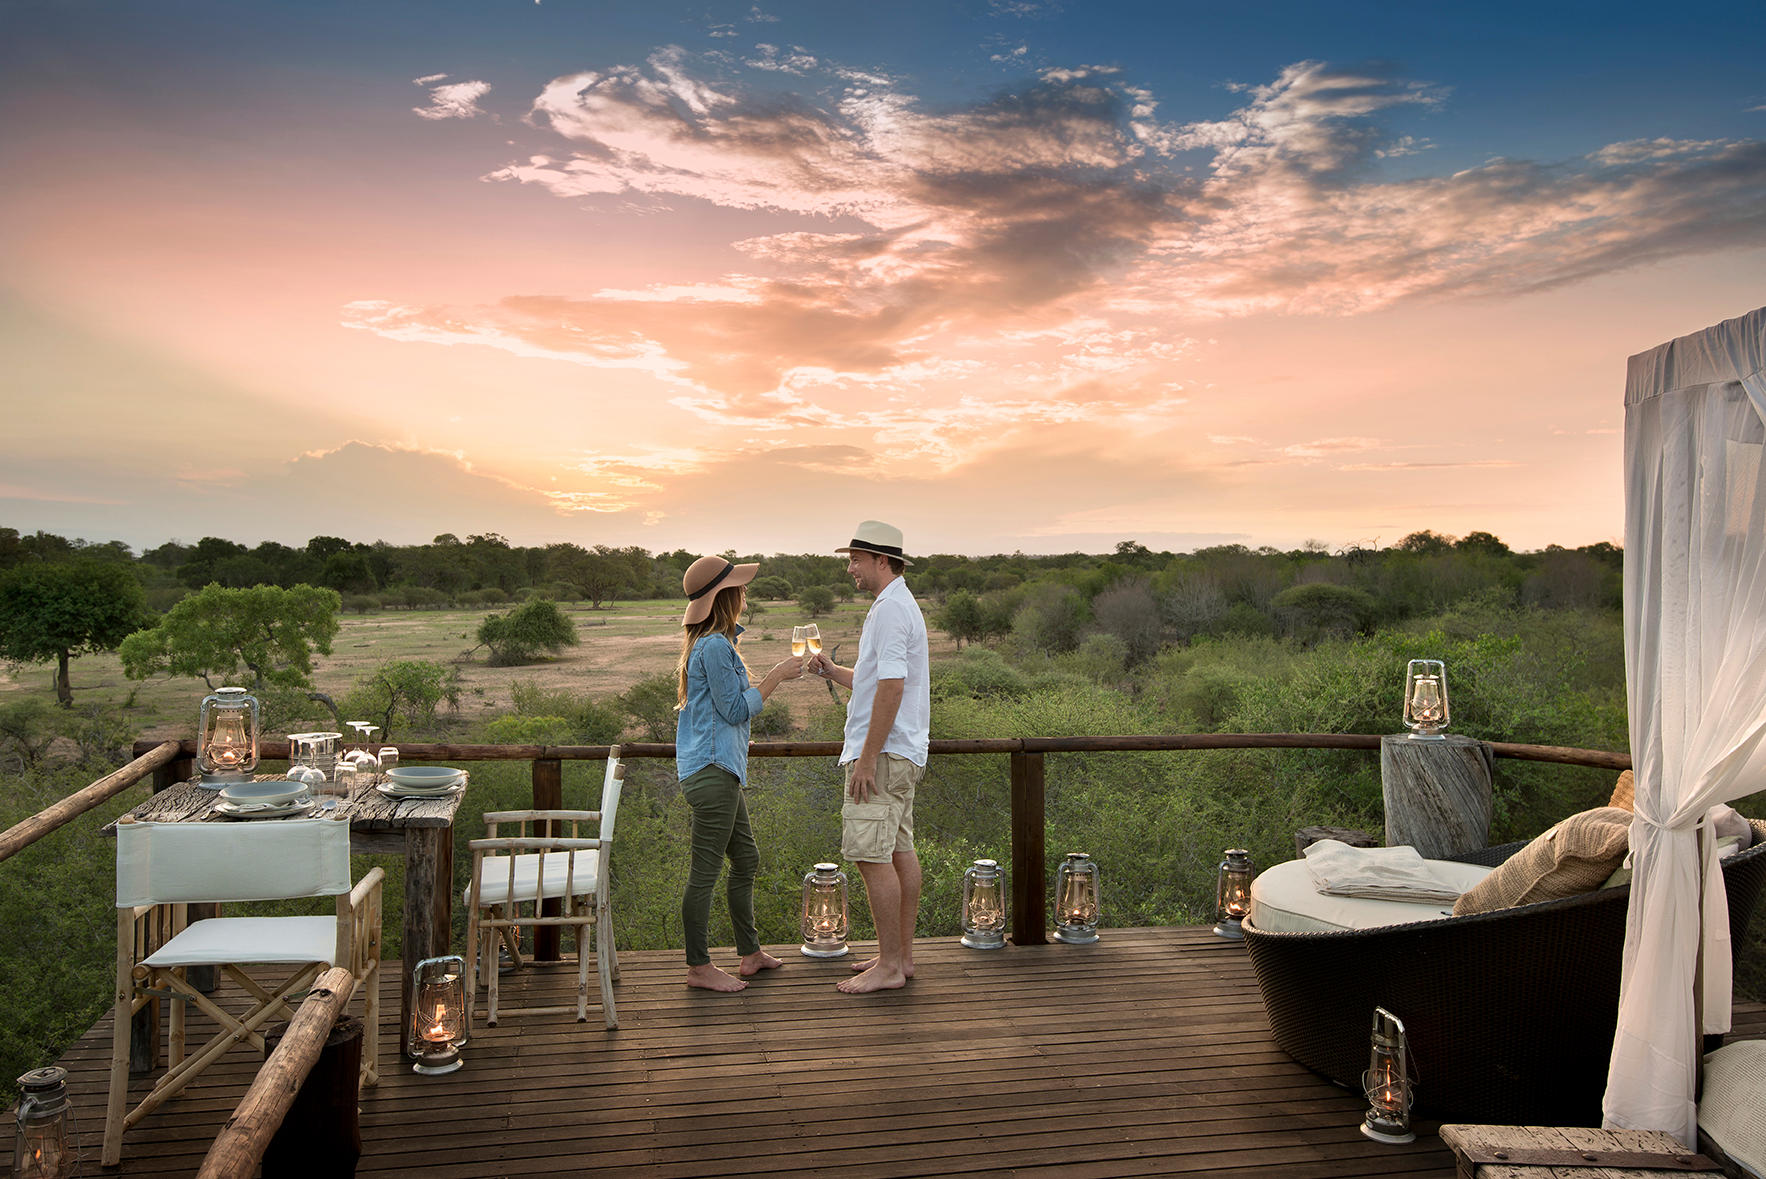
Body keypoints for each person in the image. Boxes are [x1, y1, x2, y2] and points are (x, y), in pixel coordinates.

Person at [808, 521, 931, 994]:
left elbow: (893, 686)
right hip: (901, 752)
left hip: (882, 757)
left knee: (869, 856)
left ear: (882, 561)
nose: (850, 568)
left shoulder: (890, 610)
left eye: (856, 559)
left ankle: (890, 968)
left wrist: (865, 758)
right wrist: (833, 670)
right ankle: (898, 958)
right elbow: (877, 676)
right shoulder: (898, 604)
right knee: (898, 851)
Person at [675, 554, 803, 992]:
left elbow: (715, 715)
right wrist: (775, 677)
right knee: (705, 873)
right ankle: (698, 967)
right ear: (726, 596)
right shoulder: (713, 646)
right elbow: (732, 709)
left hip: (721, 769)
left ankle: (750, 953)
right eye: (741, 587)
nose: (746, 593)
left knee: (746, 859)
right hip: (712, 774)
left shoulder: (716, 643)